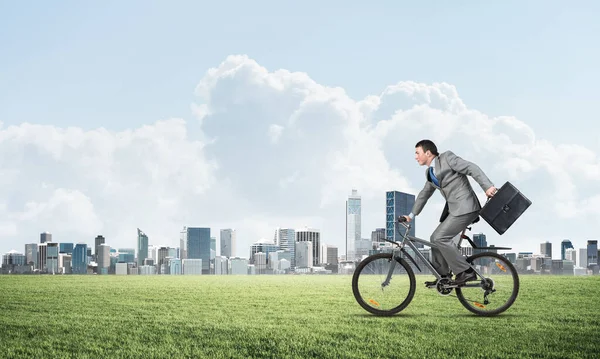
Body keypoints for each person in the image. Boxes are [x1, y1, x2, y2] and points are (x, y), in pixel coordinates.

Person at [401, 139, 497, 286]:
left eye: (417, 153)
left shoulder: (447, 158)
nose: (415, 157)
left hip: (466, 207)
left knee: (440, 237)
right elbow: (424, 194)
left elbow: (471, 167)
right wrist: (411, 216)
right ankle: (443, 277)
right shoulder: (430, 173)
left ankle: (466, 272)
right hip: (455, 210)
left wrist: (488, 186)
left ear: (428, 153)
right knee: (435, 239)